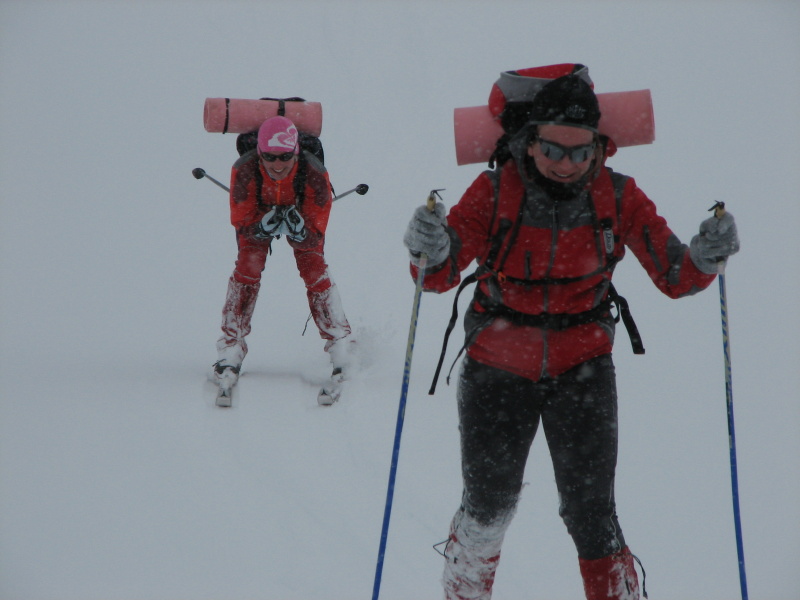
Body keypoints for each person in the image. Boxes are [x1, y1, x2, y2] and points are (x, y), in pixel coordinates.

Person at [403, 71, 739, 599]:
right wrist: (430, 248)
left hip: (583, 369)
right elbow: (438, 277)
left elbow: (676, 275)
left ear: (599, 148)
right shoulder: (494, 189)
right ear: (528, 141)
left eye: (582, 152)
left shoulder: (619, 195)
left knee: (593, 515)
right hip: (495, 368)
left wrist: (704, 257)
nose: (567, 163)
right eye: (554, 149)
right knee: (488, 505)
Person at [214, 115, 354, 401]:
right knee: (247, 268)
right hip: (257, 218)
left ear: (296, 153)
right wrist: (261, 225)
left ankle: (341, 344)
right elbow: (240, 220)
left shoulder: (314, 173)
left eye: (285, 157)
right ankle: (231, 346)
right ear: (260, 154)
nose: (277, 164)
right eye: (270, 157)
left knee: (314, 269)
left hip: (301, 216)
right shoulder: (244, 170)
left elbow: (318, 228)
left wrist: (301, 228)